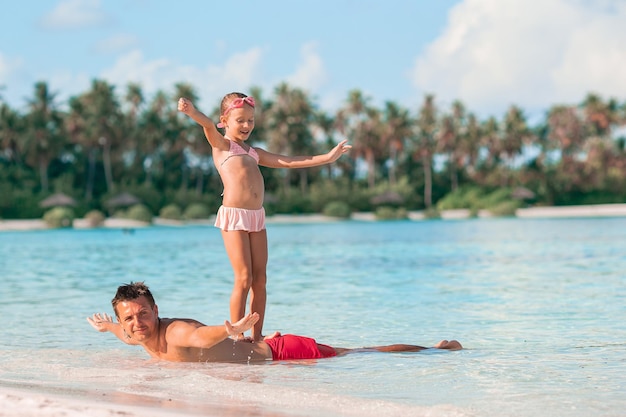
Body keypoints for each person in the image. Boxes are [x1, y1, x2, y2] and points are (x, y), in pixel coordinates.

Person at [177, 93, 351, 342]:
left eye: (250, 120)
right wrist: (191, 112)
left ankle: (257, 337)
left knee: (260, 279)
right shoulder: (221, 145)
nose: (247, 125)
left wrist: (328, 157)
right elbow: (206, 125)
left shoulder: (255, 153)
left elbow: (289, 162)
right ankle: (237, 335)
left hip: (256, 218)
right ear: (224, 120)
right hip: (234, 217)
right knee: (244, 277)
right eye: (240, 120)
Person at [87, 282, 463, 363]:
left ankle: (437, 348)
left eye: (143, 313)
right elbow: (123, 335)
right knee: (357, 352)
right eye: (130, 317)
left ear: (156, 310)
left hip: (283, 353)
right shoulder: (134, 335)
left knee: (361, 353)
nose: (137, 322)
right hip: (266, 359)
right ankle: (435, 348)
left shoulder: (174, 331)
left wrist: (230, 330)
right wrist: (108, 327)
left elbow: (201, 338)